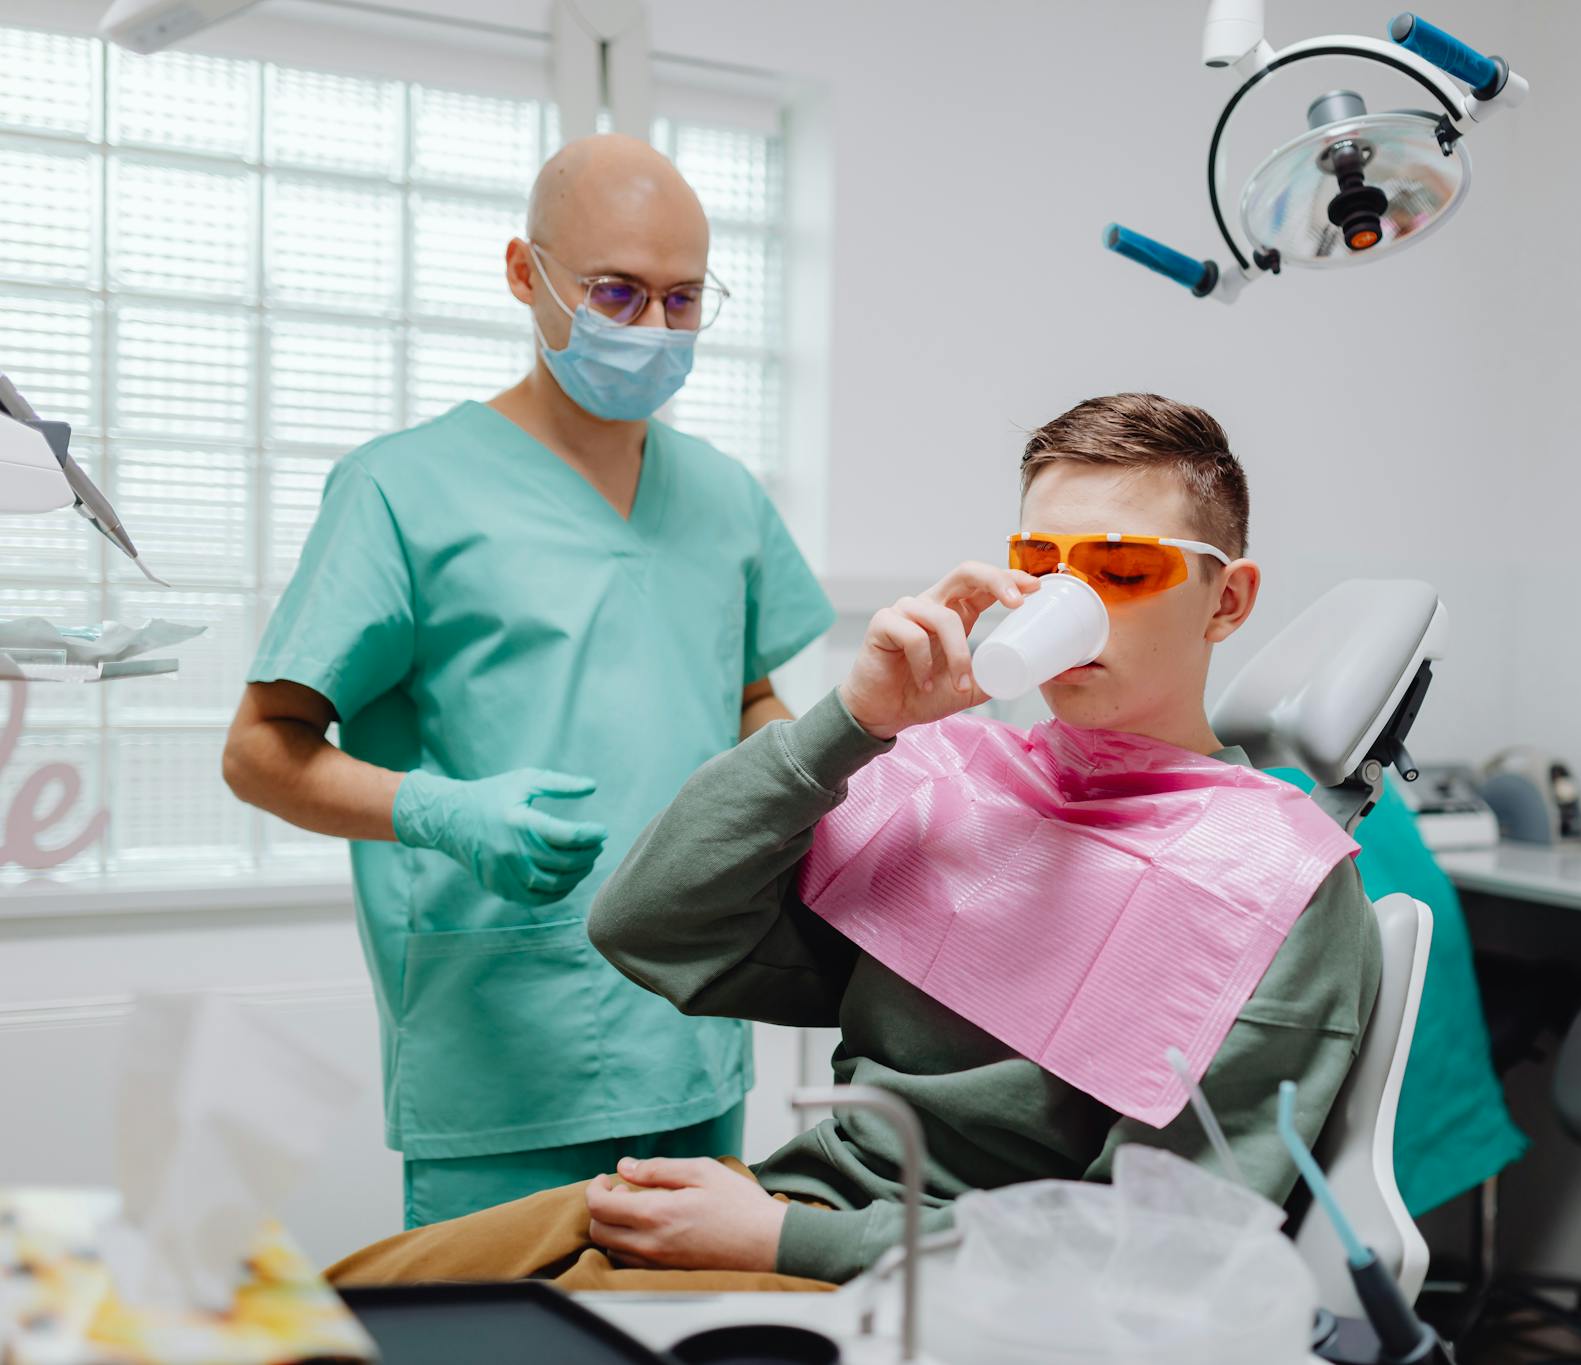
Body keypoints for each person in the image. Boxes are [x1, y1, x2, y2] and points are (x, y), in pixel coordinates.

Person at [325, 393, 1379, 1289]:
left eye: (1120, 568)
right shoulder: (960, 784)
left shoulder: (1274, 893)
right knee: (335, 1304)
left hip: (926, 1285)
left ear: (1225, 601)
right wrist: (853, 722)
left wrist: (793, 1238)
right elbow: (644, 924)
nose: (1073, 603)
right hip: (779, 1207)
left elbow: (1157, 1255)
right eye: (1040, 566)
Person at [222, 133, 834, 1228]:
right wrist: (435, 808)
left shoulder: (723, 498)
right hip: (500, 1038)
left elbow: (741, 695)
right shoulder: (401, 492)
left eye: (683, 300)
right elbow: (261, 749)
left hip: (694, 1021)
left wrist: (799, 786)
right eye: (616, 292)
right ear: (525, 274)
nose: (650, 329)